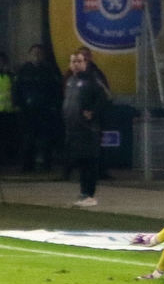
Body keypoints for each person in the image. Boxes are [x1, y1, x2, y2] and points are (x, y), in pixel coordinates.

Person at [62, 49, 109, 207]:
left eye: (79, 61)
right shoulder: (70, 81)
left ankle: (90, 194)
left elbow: (104, 100)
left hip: (88, 130)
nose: (76, 64)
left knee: (90, 162)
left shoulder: (93, 81)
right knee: (81, 162)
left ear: (85, 63)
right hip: (73, 129)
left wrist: (93, 113)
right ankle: (83, 193)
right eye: (73, 61)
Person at [13, 44, 62, 172]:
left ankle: (46, 165)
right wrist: (17, 104)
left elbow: (56, 90)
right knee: (28, 138)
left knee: (46, 138)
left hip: (46, 110)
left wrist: (55, 106)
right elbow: (17, 88)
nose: (36, 55)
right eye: (34, 53)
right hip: (28, 111)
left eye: (39, 53)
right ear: (29, 55)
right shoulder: (23, 70)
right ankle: (27, 166)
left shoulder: (50, 70)